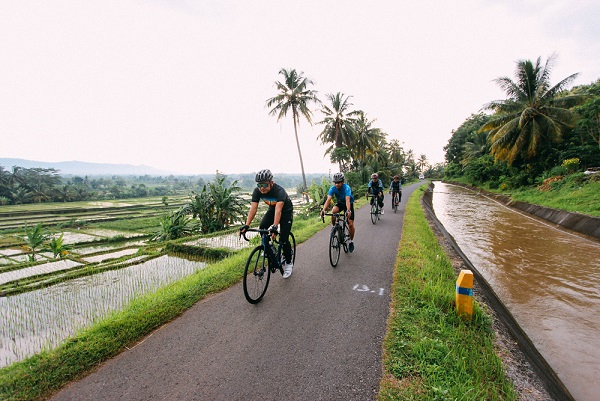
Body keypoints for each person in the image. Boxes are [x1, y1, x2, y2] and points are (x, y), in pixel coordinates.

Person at [239, 169, 294, 278]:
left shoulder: (279, 191)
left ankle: (288, 262)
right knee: (262, 227)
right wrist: (247, 225)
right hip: (272, 210)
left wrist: (274, 226)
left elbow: (279, 210)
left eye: (264, 185)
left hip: (286, 211)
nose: (262, 188)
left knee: (283, 239)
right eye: (259, 185)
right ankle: (269, 247)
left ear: (271, 183)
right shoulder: (257, 191)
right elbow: (253, 209)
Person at [320, 172, 356, 252]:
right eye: (335, 183)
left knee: (350, 224)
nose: (337, 184)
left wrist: (348, 211)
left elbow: (347, 200)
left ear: (342, 182)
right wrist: (324, 210)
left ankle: (351, 241)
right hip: (340, 203)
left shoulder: (346, 188)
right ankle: (334, 227)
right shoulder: (332, 189)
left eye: (339, 182)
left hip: (348, 204)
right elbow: (328, 200)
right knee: (333, 211)